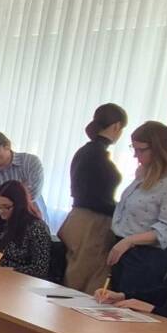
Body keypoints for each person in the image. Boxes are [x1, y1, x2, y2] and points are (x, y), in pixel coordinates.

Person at [107, 121, 167, 298]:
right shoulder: (144, 173)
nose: (135, 155)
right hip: (125, 248)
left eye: (141, 150)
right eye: (134, 148)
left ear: (159, 149)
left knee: (128, 304)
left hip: (146, 256)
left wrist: (129, 241)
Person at [60, 103, 127, 292]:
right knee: (85, 280)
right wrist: (120, 209)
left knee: (79, 273)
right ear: (117, 126)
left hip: (80, 218)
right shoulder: (96, 155)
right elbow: (95, 197)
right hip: (93, 221)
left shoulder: (87, 151)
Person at [0, 180, 52, 278]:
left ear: (19, 205)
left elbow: (40, 269)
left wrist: (10, 270)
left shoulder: (36, 228)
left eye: (6, 207)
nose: (1, 211)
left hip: (13, 279)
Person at [0, 130, 47, 219]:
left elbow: (34, 192)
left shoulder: (30, 162)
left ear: (7, 146)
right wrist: (20, 194)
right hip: (1, 225)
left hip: (33, 220)